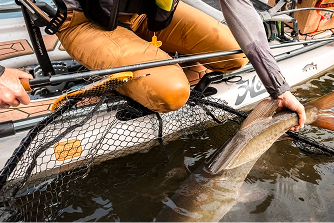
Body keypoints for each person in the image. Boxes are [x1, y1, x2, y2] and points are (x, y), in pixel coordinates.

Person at [0, 0, 305, 131]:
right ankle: (141, 79)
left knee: (235, 55)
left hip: (147, 15)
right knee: (173, 92)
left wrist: (277, 87)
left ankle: (148, 60)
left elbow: (238, 5)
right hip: (84, 21)